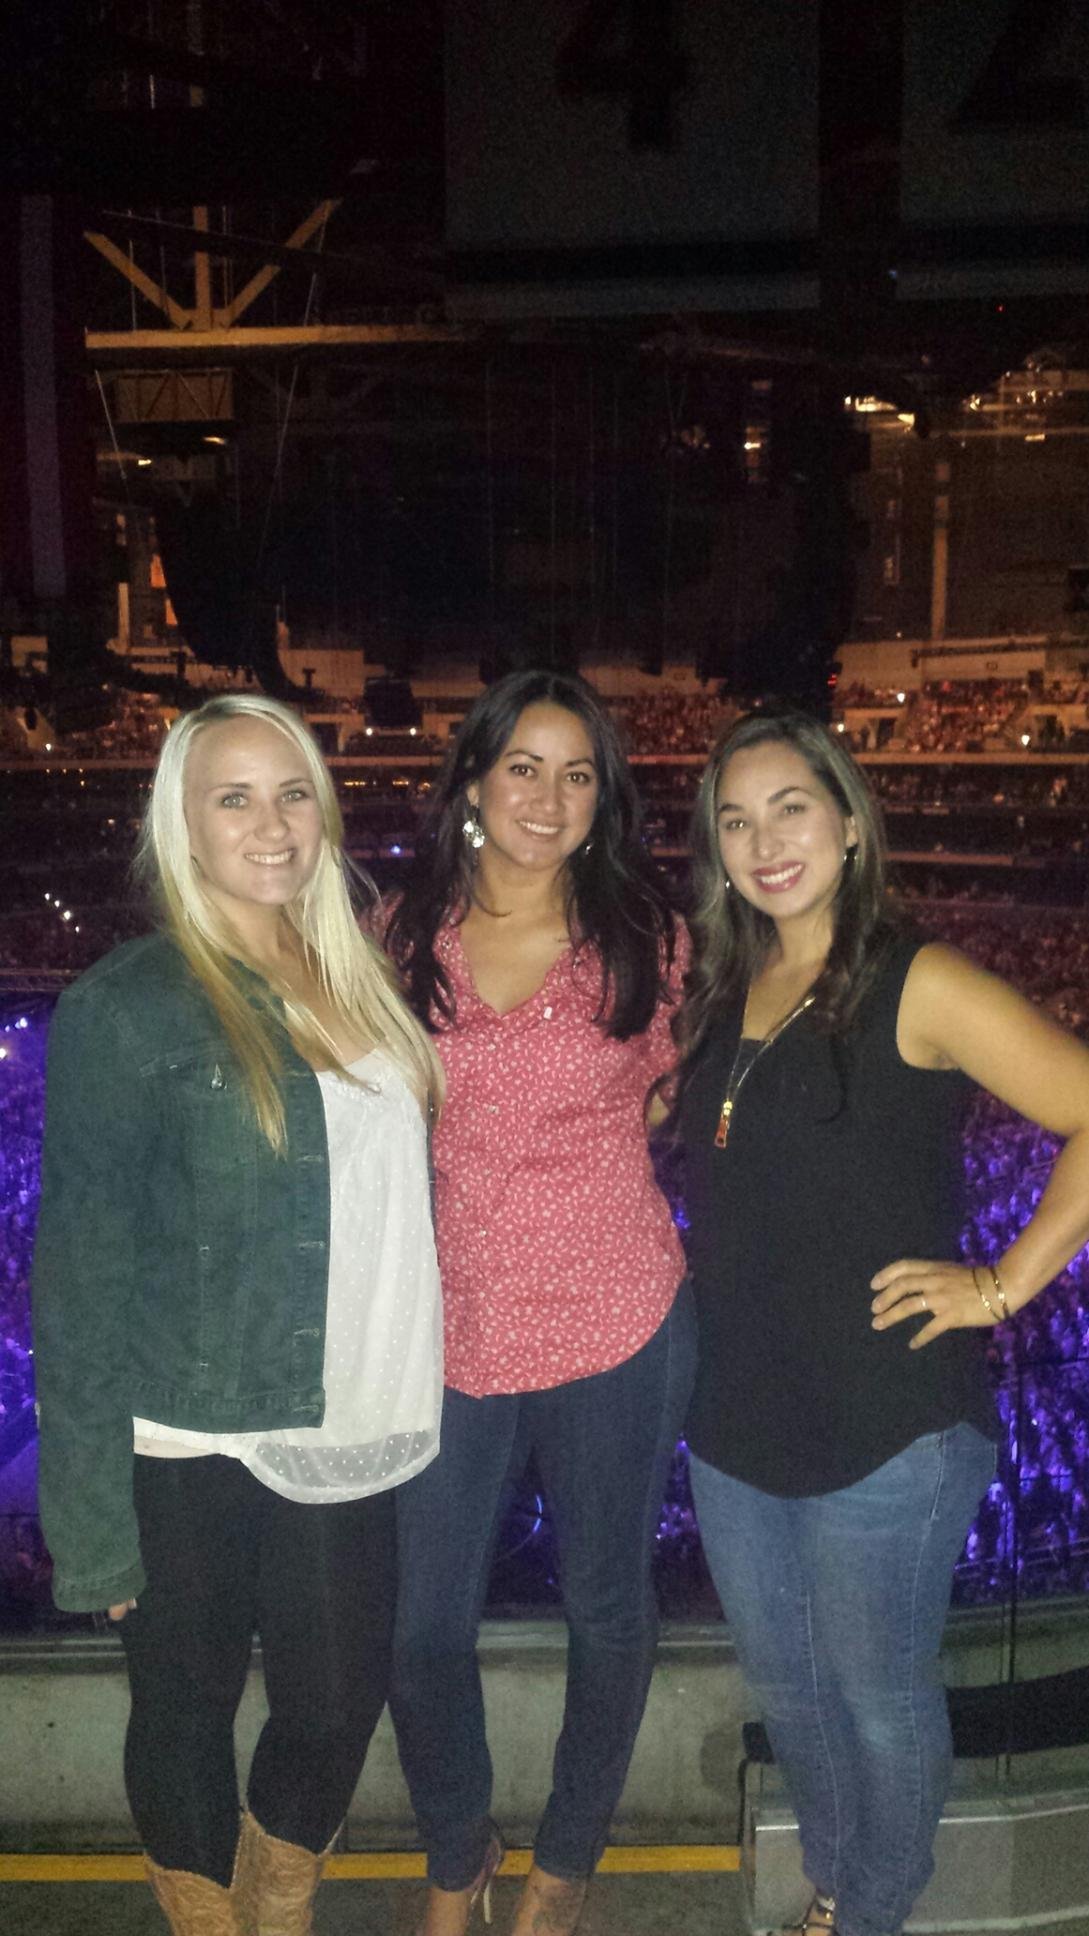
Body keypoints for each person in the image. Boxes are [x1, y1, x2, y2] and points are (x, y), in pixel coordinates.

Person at [32, 694, 445, 1936]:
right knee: (184, 1709)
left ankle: (279, 1898)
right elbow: (80, 1273)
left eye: (293, 792)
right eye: (235, 797)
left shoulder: (362, 978)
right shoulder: (129, 1007)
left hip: (350, 1407)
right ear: (184, 823)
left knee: (336, 1705)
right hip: (189, 1424)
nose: (272, 823)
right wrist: (91, 1527)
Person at [674, 707, 1089, 1936]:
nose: (765, 842)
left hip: (891, 1421)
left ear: (850, 822)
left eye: (791, 808)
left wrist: (1002, 1282)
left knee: (880, 1697)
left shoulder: (921, 979)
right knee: (793, 1695)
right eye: (736, 821)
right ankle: (837, 1881)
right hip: (735, 1422)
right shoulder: (722, 988)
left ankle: (870, 1912)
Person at [384, 669, 695, 1936]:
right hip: (450, 1329)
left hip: (616, 1317)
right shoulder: (400, 934)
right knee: (419, 1628)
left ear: (602, 799)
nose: (549, 797)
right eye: (524, 765)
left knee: (608, 1607)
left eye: (578, 775)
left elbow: (666, 1096)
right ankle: (459, 1848)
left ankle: (564, 1862)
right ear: (473, 778)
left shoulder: (646, 937)